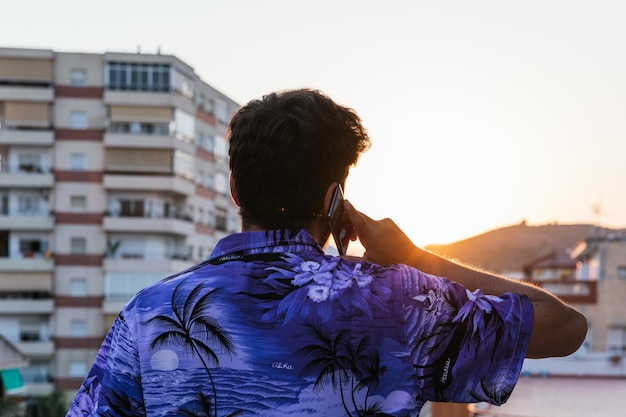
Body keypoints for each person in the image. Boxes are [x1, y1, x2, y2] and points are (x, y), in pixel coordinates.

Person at [66, 88, 587, 417]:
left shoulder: (149, 314)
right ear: (334, 199)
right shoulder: (398, 303)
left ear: (234, 190)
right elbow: (565, 327)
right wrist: (415, 258)